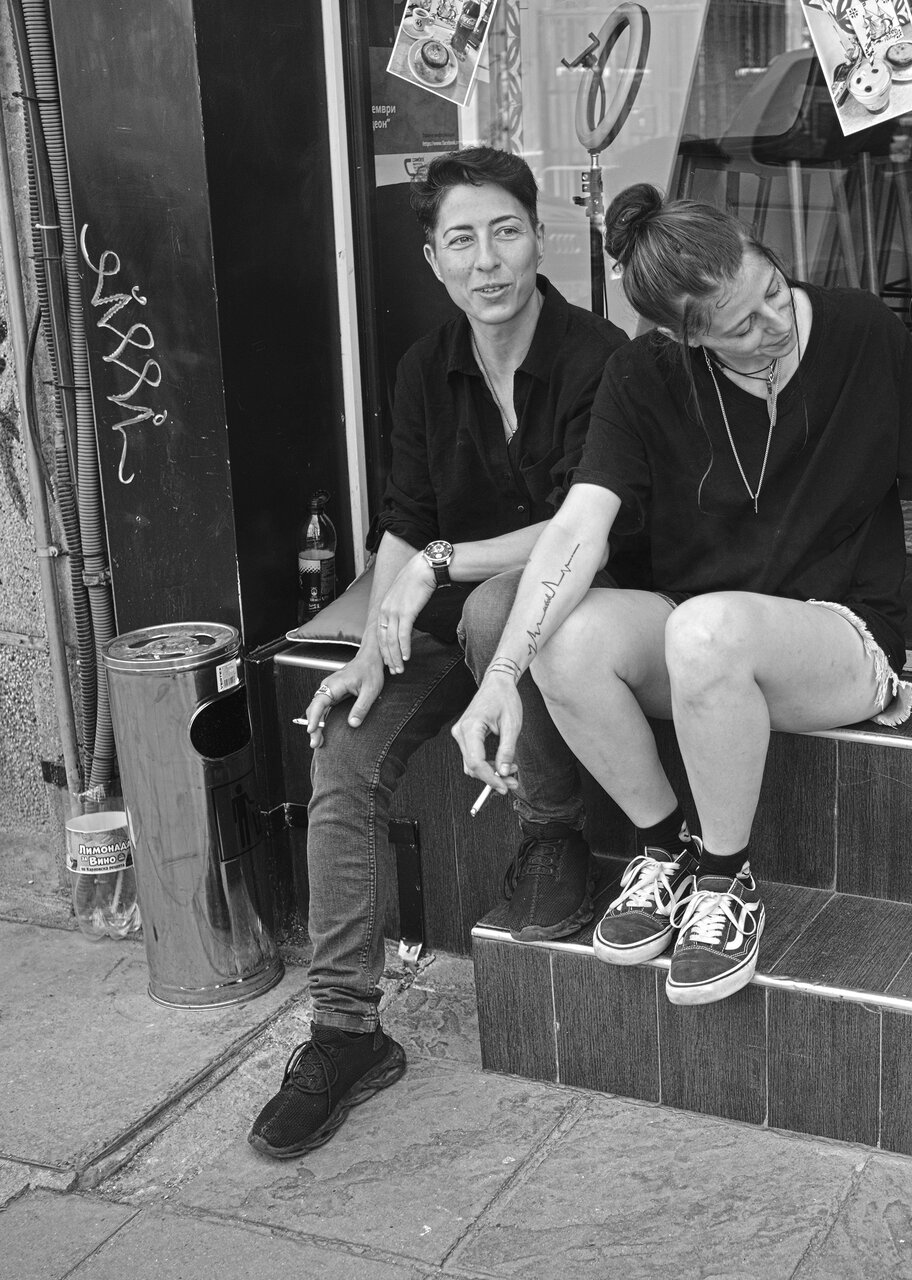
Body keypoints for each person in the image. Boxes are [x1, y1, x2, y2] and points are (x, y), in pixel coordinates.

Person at [450, 186, 912, 1008]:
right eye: (741, 326)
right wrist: (501, 676)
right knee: (568, 636)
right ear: (684, 337)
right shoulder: (640, 376)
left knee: (706, 629)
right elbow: (576, 530)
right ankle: (665, 851)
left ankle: (726, 881)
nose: (774, 323)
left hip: (837, 638)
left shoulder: (857, 330)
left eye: (772, 289)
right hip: (697, 639)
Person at [249, 147, 629, 1159]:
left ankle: (552, 830)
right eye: (462, 239)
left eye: (505, 232)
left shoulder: (599, 357)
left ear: (538, 238)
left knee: (498, 605)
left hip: (569, 611)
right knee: (343, 748)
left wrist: (443, 564)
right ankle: (345, 1031)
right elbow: (407, 522)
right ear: (432, 259)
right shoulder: (425, 368)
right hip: (444, 622)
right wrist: (370, 648)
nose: (486, 260)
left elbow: (581, 528)